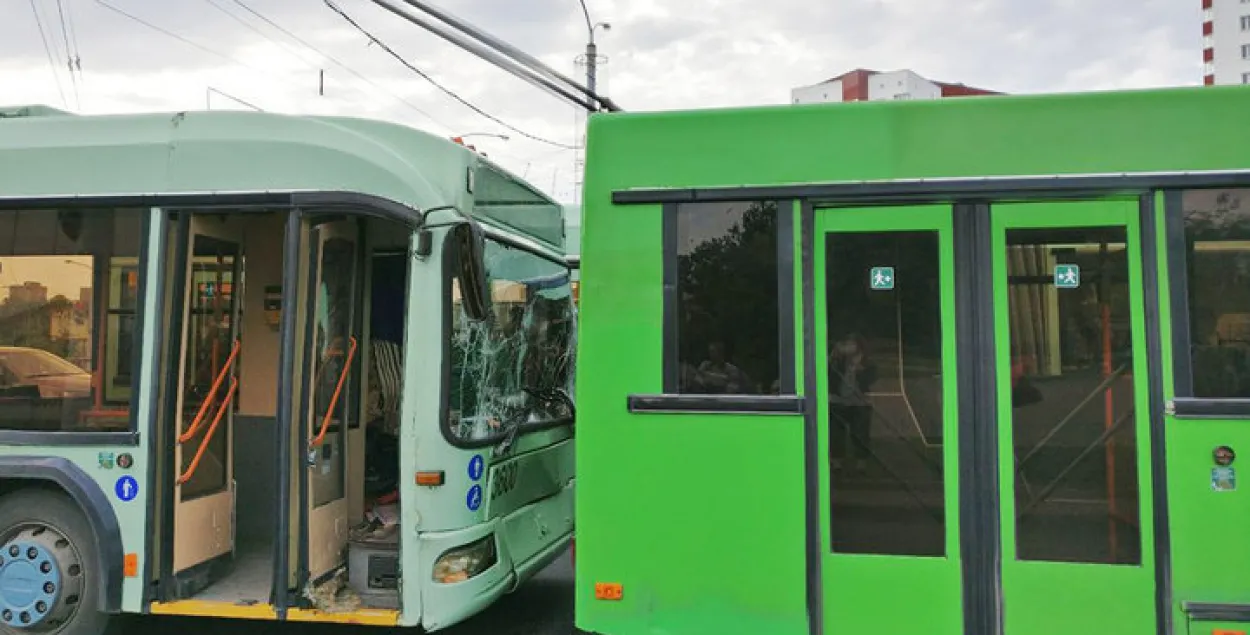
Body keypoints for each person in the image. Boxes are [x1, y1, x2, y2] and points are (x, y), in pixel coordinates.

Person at [829, 332, 876, 474]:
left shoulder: (867, 362)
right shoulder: (836, 361)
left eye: (850, 344)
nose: (847, 348)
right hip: (838, 400)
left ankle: (861, 462)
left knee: (860, 433)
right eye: (844, 344)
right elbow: (829, 376)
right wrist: (834, 358)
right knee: (836, 433)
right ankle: (836, 461)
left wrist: (858, 369)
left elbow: (871, 379)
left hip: (860, 402)